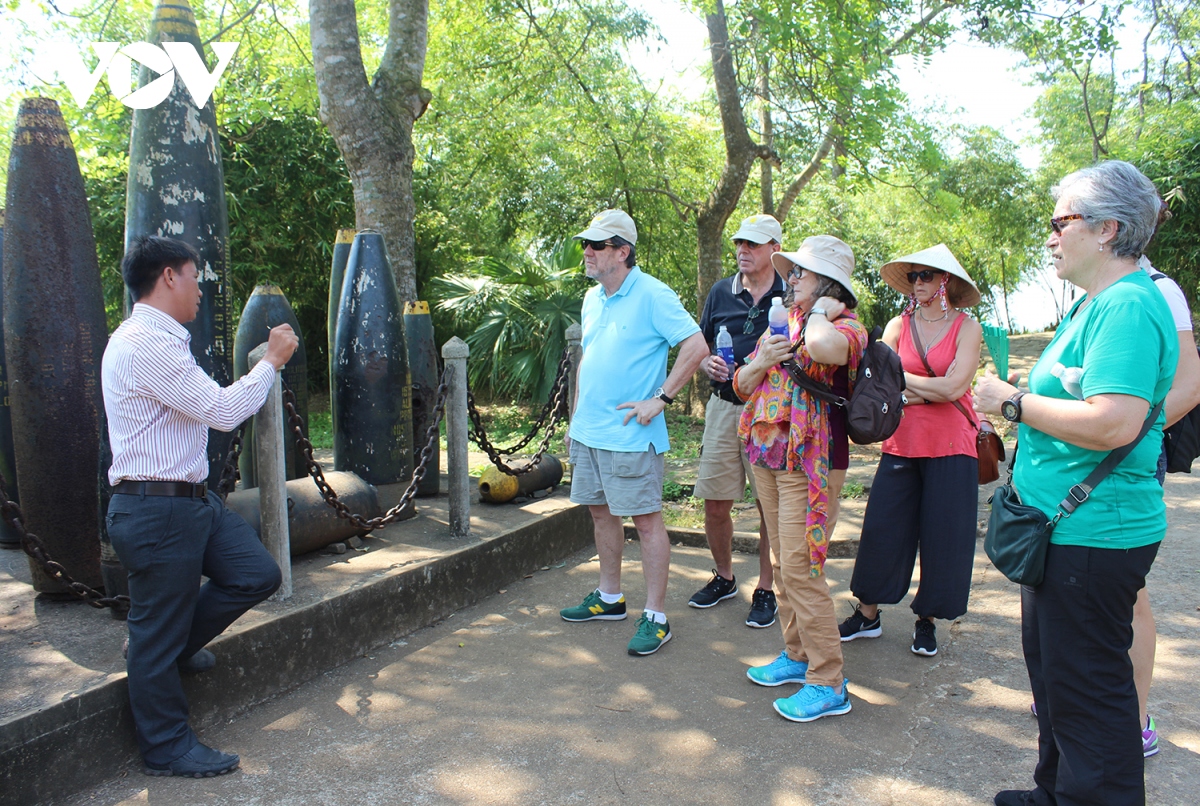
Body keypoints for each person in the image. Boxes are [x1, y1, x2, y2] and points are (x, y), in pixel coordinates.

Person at [975, 160, 1176, 806]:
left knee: (1090, 695)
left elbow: (1115, 421)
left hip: (1093, 535)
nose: (1051, 236)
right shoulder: (1099, 302)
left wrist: (1010, 403)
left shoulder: (1127, 306)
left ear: (1107, 229)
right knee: (1060, 683)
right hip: (1063, 531)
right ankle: (1054, 791)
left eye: (1060, 222)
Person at [103, 235, 299, 777]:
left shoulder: (166, 340)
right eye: (195, 276)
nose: (200, 289)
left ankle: (171, 647)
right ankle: (166, 747)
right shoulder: (145, 343)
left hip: (189, 501)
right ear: (169, 276)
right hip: (156, 509)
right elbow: (220, 410)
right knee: (152, 633)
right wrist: (273, 362)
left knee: (255, 573)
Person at [559, 209, 708, 656]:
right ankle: (609, 598)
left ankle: (657, 617)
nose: (587, 251)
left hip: (630, 434)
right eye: (586, 243)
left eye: (597, 245)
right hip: (591, 431)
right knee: (601, 514)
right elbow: (589, 357)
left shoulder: (652, 294)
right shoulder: (592, 298)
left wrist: (659, 399)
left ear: (622, 252)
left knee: (645, 522)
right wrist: (576, 418)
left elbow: (696, 346)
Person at [735, 235, 867, 722]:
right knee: (783, 561)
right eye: (790, 273)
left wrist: (821, 311)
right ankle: (796, 655)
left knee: (802, 567)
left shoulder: (847, 327)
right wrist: (761, 361)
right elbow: (741, 385)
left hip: (813, 463)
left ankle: (829, 680)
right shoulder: (782, 324)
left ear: (828, 285)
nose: (789, 281)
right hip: (767, 458)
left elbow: (820, 347)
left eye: (800, 275)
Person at [838, 245, 984, 658]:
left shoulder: (967, 328)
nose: (919, 282)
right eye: (914, 275)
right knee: (883, 528)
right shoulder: (897, 326)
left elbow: (955, 389)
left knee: (944, 536)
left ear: (945, 281)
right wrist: (918, 388)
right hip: (902, 440)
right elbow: (879, 384)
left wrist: (905, 384)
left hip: (953, 444)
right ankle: (867, 613)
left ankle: (927, 620)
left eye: (927, 275)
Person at [689, 214, 786, 627]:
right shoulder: (720, 292)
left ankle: (766, 588)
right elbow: (702, 342)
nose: (743, 251)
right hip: (724, 407)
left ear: (774, 250)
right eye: (739, 244)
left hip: (771, 413)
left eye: (754, 244)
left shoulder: (791, 292)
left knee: (770, 506)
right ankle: (725, 576)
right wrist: (709, 362)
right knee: (714, 501)